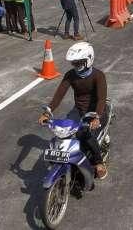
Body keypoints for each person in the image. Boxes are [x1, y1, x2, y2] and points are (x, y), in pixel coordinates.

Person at [37, 42, 108, 179]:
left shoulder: (98, 76)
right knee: (63, 133)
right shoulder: (70, 75)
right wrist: (48, 112)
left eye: (79, 63)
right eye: (74, 63)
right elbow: (59, 95)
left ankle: (99, 162)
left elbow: (101, 99)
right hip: (79, 110)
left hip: (96, 112)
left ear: (89, 60)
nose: (76, 66)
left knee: (86, 135)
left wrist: (97, 117)